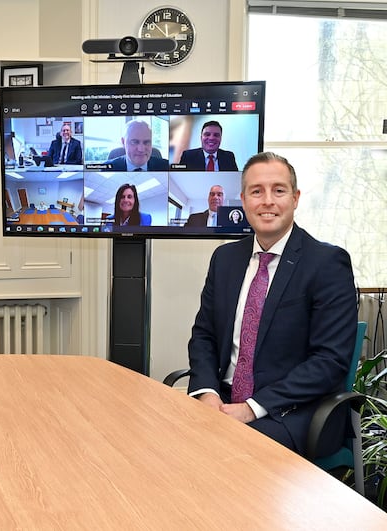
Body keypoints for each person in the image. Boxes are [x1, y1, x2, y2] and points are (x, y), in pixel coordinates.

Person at [187, 152, 357, 457]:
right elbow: (204, 337)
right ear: (243, 200)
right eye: (256, 191)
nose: (267, 201)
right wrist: (208, 394)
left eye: (278, 190)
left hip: (292, 411)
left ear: (295, 198)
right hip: (223, 401)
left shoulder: (327, 263)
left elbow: (329, 361)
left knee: (219, 453)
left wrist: (252, 409)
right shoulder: (224, 260)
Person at [104, 120, 169, 172]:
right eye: (134, 142)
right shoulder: (107, 168)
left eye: (147, 142)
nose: (141, 149)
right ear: (123, 142)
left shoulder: (166, 166)